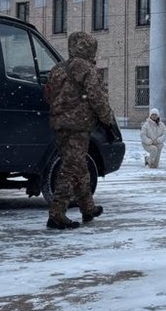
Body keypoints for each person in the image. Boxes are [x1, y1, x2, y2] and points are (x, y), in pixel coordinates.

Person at [44, 30, 115, 230]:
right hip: (78, 126)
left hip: (59, 125)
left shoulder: (57, 69)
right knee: (70, 168)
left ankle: (88, 208)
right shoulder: (87, 69)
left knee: (79, 165)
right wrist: (107, 121)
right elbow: (97, 97)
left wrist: (62, 112)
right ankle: (57, 214)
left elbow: (48, 95)